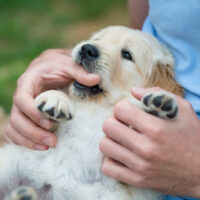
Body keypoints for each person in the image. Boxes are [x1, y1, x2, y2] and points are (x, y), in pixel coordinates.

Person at [5, 0, 200, 199]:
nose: (93, 49)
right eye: (98, 39)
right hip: (37, 169)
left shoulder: (150, 91)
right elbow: (138, 25)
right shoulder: (69, 100)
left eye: (126, 55)